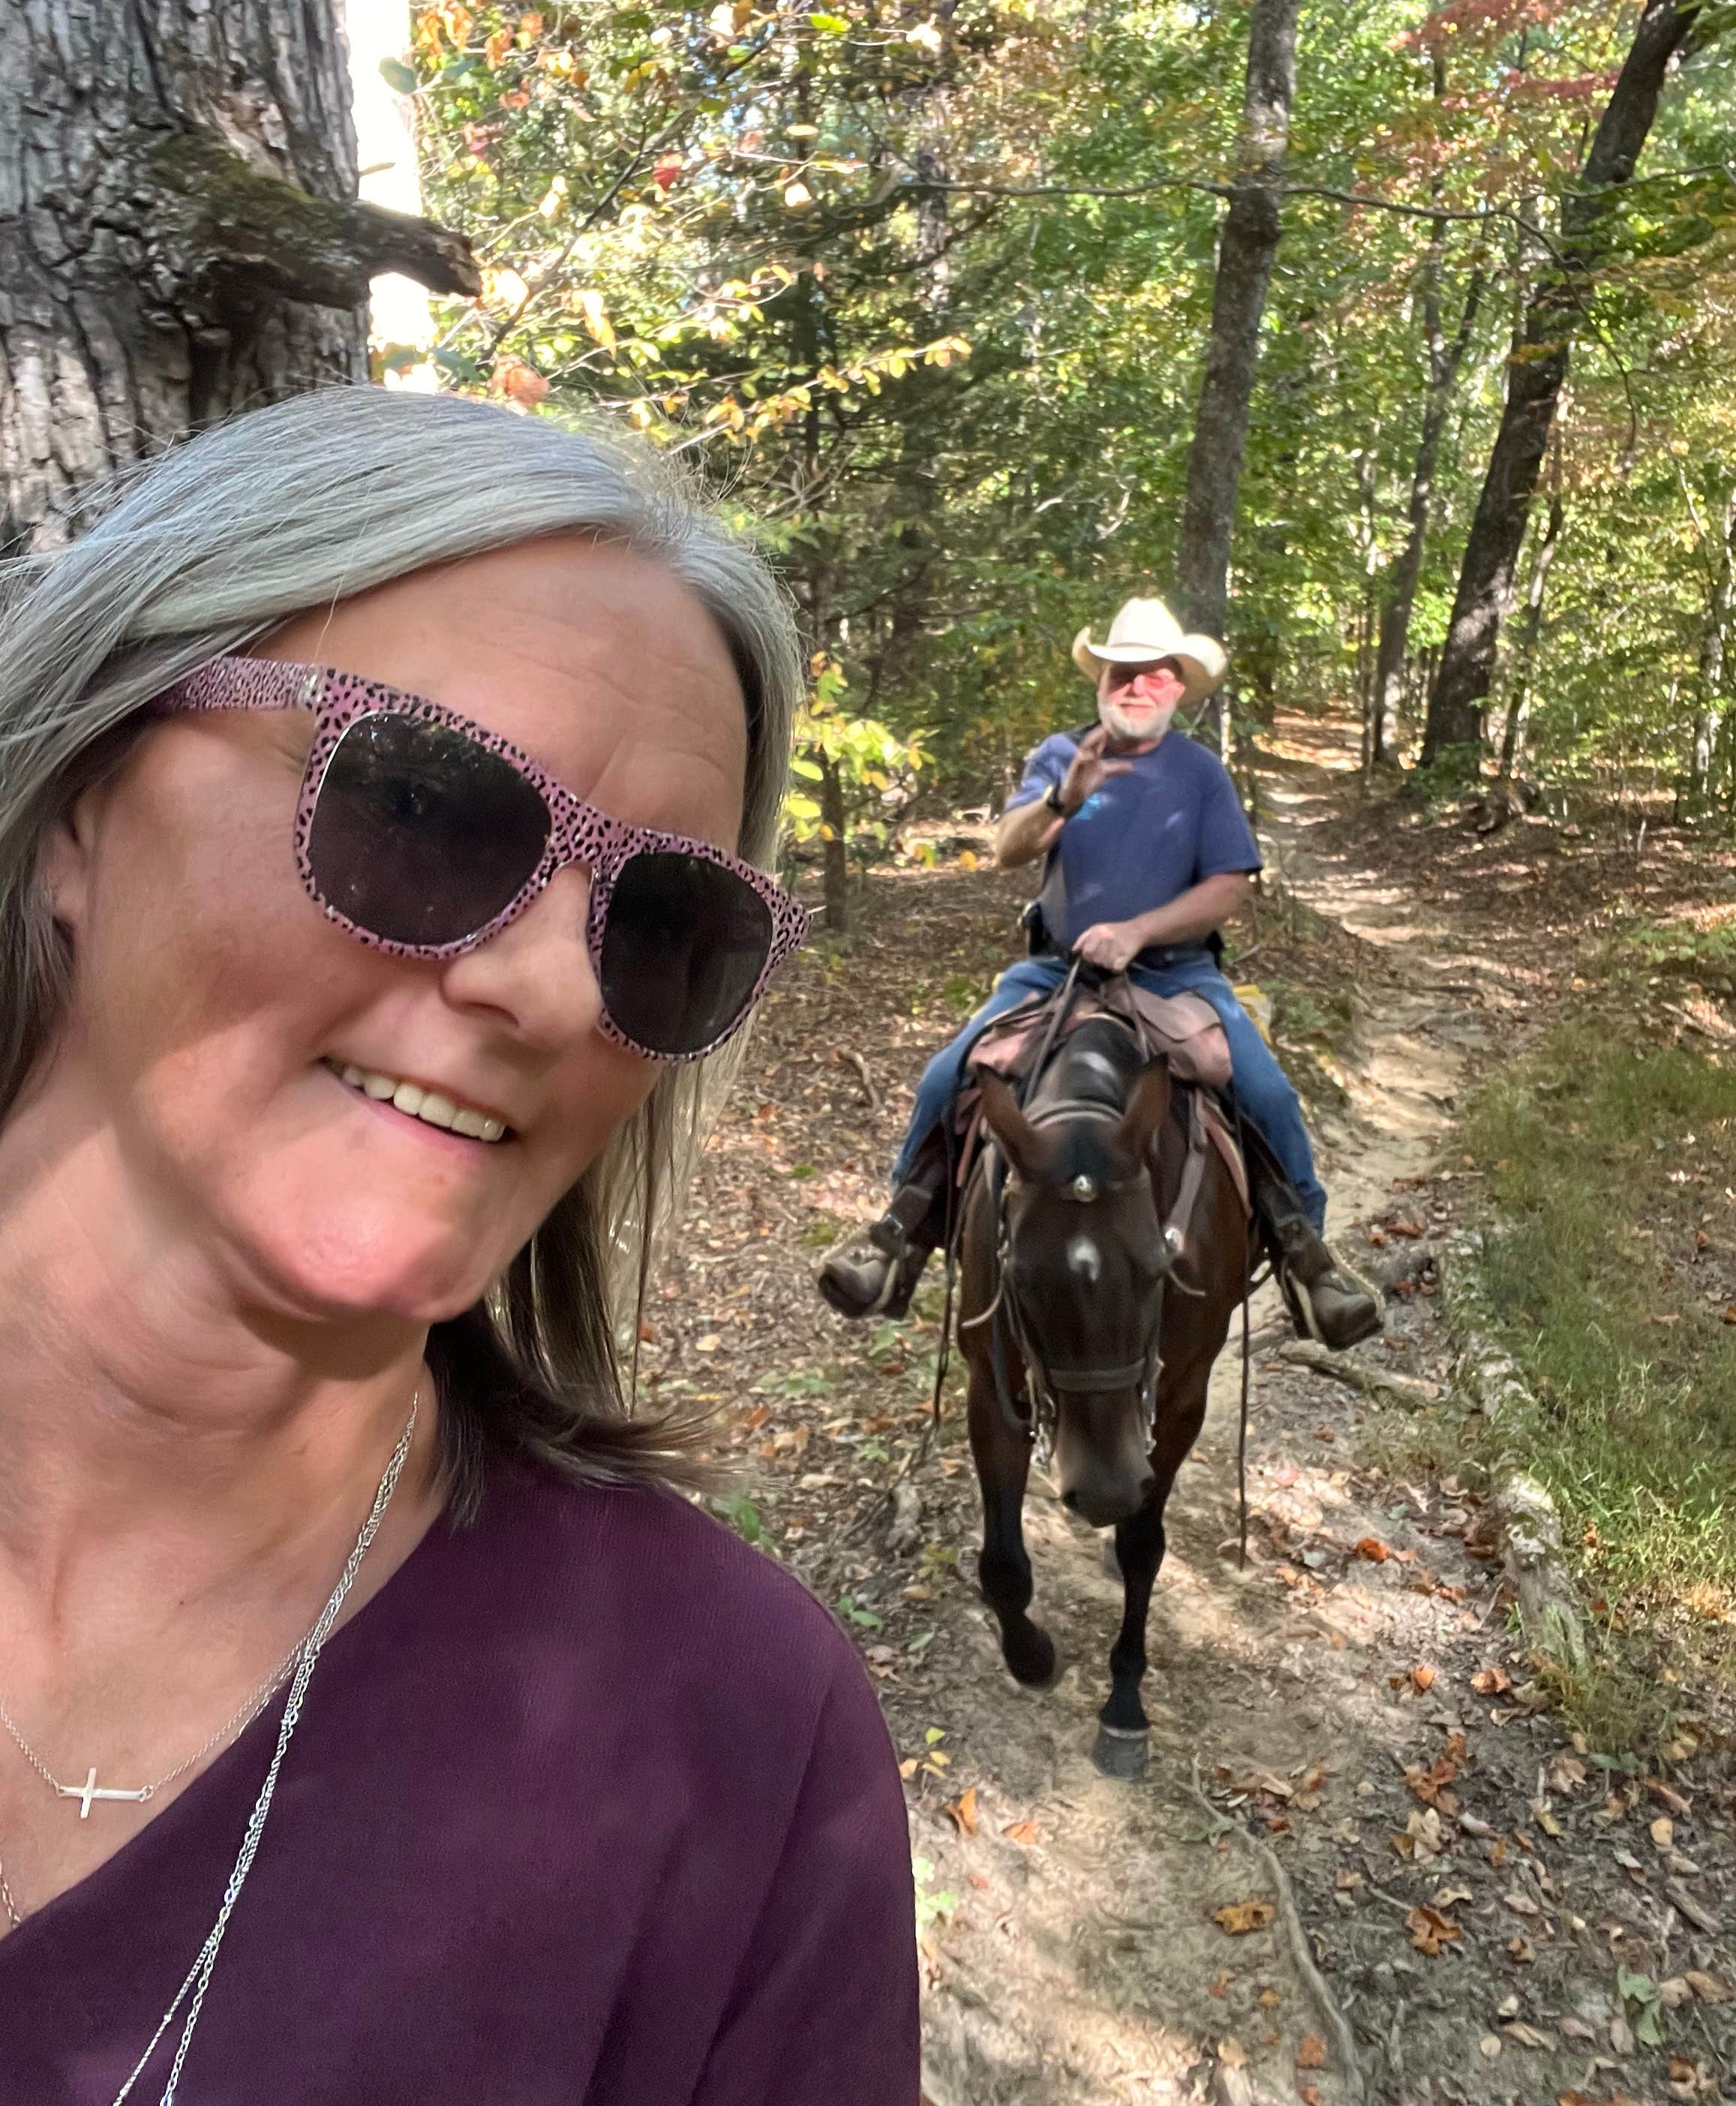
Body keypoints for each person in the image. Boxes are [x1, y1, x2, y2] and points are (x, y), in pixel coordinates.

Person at [0, 388, 919, 2103]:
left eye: (663, 924)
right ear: (78, 807)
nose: (556, 990)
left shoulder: (743, 1746)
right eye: (420, 805)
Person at [818, 596, 1383, 1350]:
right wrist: (1064, 798)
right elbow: (1007, 848)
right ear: (1103, 679)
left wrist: (1140, 930)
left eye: (1154, 674)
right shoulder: (1061, 754)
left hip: (1178, 974)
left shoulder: (1200, 774)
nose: (1137, 685)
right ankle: (897, 1240)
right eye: (1123, 672)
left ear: (1177, 685)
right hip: (1055, 972)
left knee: (1267, 1092)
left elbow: (1230, 885)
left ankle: (1308, 1261)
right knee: (944, 1076)